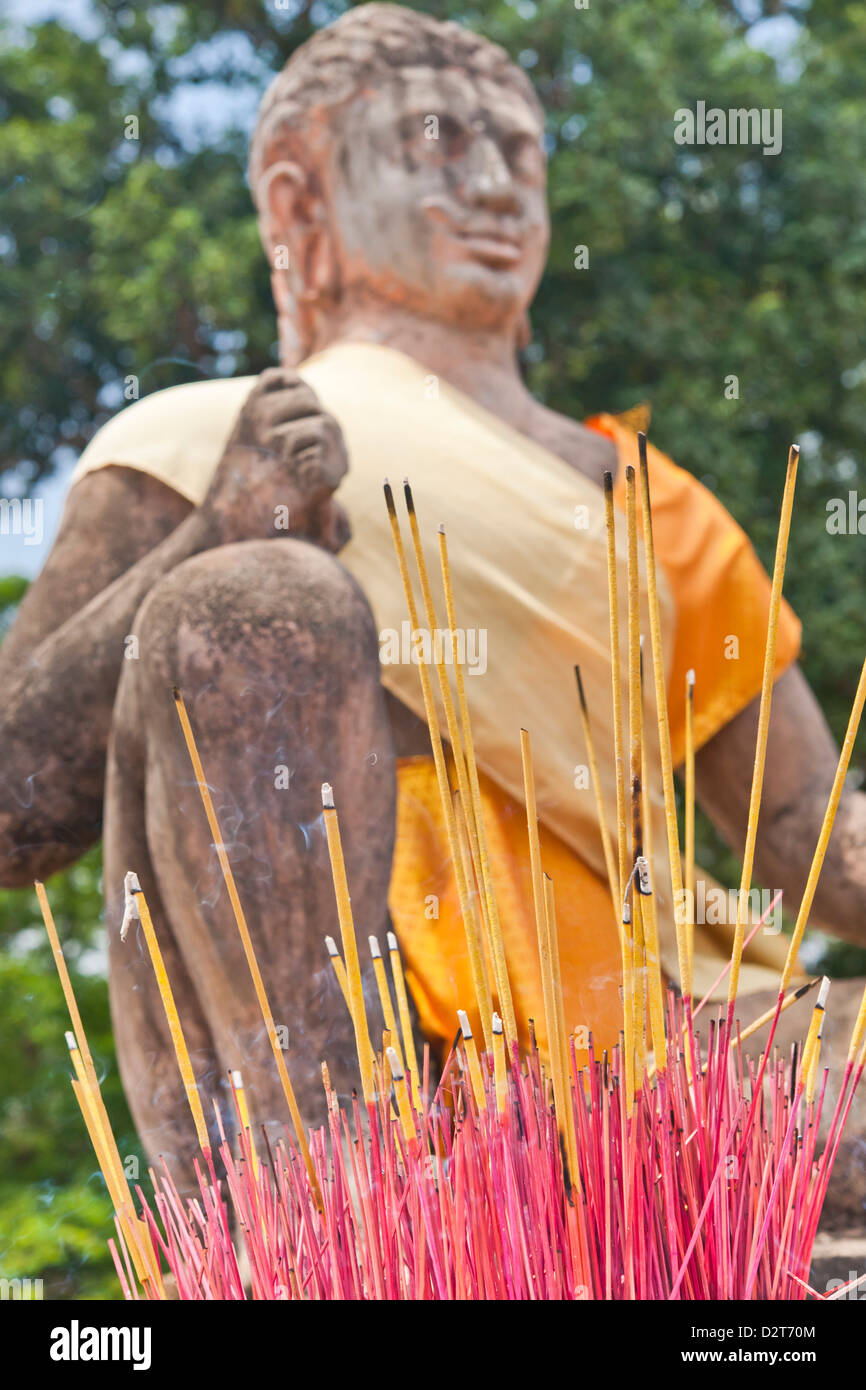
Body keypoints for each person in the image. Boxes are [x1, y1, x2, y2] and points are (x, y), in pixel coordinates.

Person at [2, 4, 863, 1182]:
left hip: (657, 1012)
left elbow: (801, 832)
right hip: (349, 1036)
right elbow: (15, 803)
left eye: (520, 150)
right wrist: (217, 525)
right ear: (304, 202)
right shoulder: (200, 434)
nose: (499, 182)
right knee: (257, 592)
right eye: (437, 140)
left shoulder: (646, 497)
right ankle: (331, 1207)